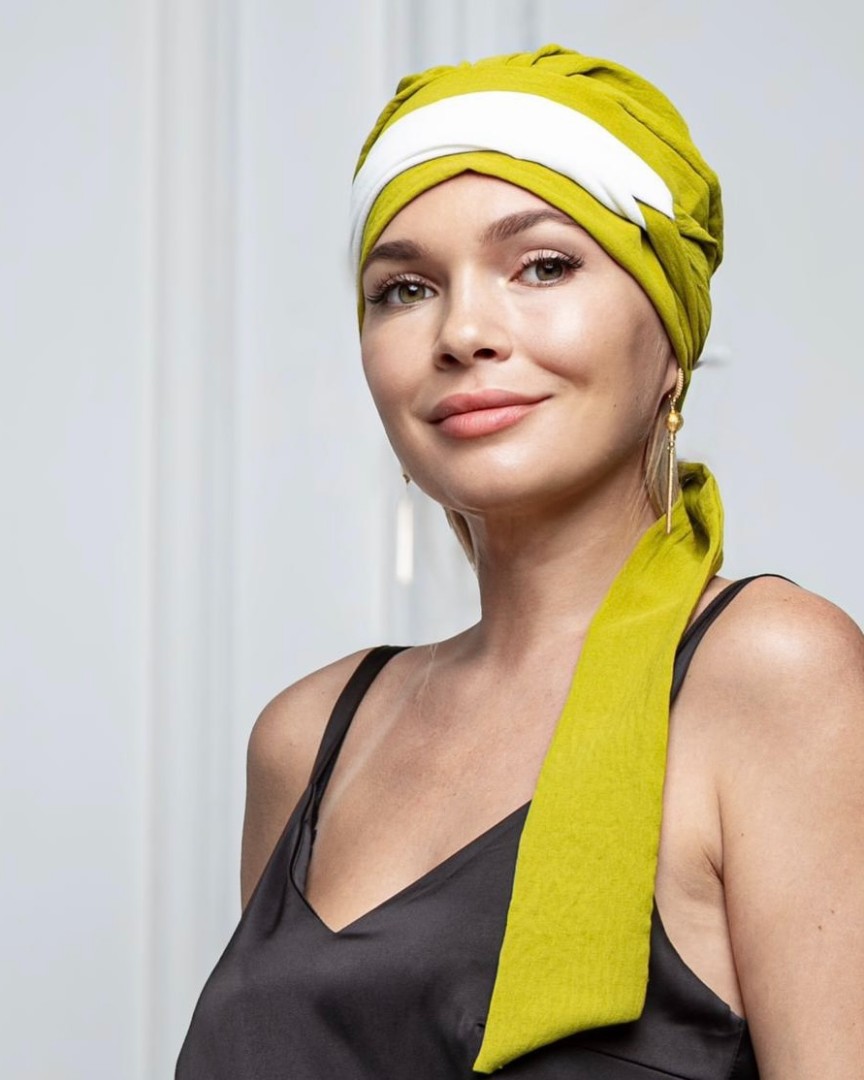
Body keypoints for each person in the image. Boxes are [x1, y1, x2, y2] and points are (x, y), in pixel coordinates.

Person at [176, 45, 864, 1079]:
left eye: (544, 265)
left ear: (671, 342)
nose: (463, 331)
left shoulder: (771, 674)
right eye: (405, 288)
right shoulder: (307, 739)